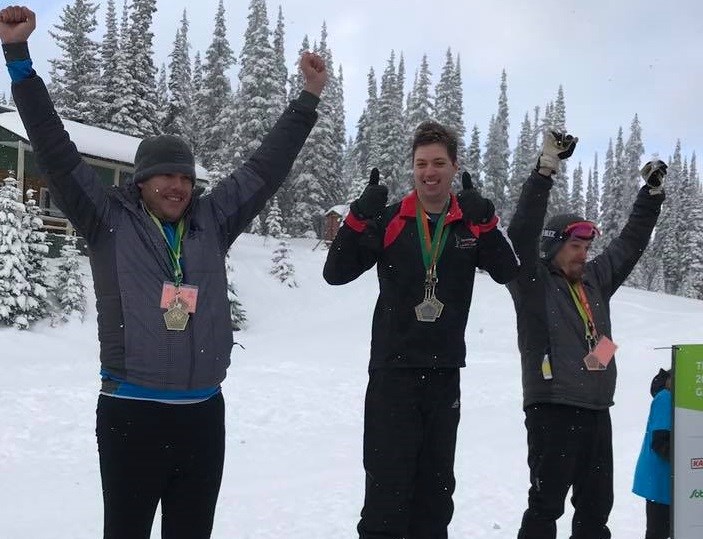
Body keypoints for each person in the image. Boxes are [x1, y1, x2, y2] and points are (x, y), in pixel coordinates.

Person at [0, 5, 327, 538]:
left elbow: (266, 168)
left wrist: (308, 98)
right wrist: (17, 56)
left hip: (203, 417)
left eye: (185, 177)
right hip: (131, 416)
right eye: (164, 177)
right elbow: (55, 152)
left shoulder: (214, 219)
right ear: (141, 180)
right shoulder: (106, 217)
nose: (177, 187)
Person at [323, 120, 520, 538]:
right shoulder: (393, 218)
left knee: (435, 493)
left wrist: (487, 223)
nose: (429, 172)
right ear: (412, 168)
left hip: (444, 374)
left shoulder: (469, 223)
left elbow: (507, 271)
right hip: (393, 374)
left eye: (439, 163)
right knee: (387, 491)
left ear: (454, 167)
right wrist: (358, 217)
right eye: (421, 164)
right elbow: (335, 273)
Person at [506, 130, 667, 539]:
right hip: (552, 408)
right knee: (545, 507)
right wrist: (545, 169)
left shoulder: (595, 280)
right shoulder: (532, 281)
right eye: (576, 246)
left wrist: (650, 196)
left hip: (596, 411)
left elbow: (630, 244)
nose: (584, 253)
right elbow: (522, 229)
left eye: (587, 246)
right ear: (553, 247)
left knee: (596, 513)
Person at [633, 368, 672, 539]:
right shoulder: (665, 398)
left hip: (676, 481)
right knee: (659, 531)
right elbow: (660, 442)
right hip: (660, 481)